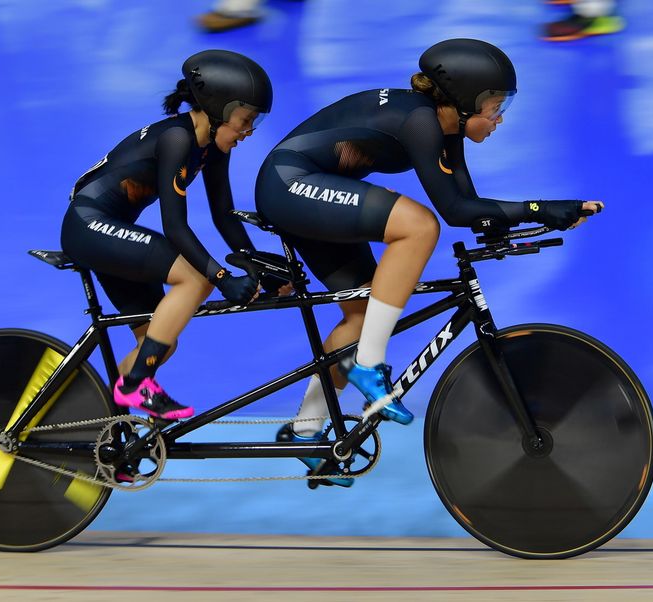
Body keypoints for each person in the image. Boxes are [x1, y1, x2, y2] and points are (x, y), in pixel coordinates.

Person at [256, 38, 603, 486]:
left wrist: (536, 219)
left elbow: (470, 205)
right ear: (460, 103)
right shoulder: (419, 121)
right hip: (290, 184)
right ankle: (367, 366)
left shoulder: (448, 128)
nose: (499, 119)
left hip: (308, 187)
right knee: (418, 226)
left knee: (361, 313)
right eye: (494, 106)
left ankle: (305, 432)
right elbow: (452, 212)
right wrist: (540, 208)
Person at [61, 49, 273, 421]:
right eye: (245, 120)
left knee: (158, 340)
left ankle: (106, 433)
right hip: (88, 225)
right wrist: (222, 278)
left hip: (110, 229)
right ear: (219, 109)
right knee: (195, 280)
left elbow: (223, 215)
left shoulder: (211, 146)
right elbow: (175, 227)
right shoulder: (178, 139)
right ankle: (134, 385)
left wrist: (257, 266)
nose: (248, 131)